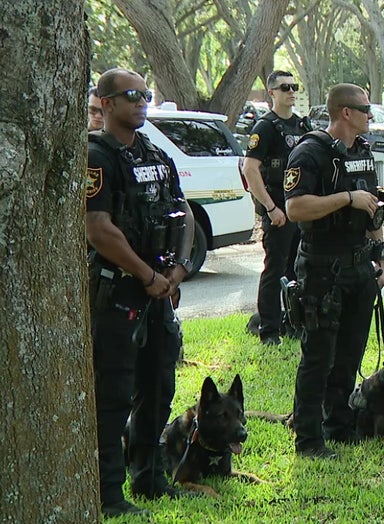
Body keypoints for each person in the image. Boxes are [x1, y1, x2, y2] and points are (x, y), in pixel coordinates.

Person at [85, 68, 197, 517]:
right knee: (113, 395)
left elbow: (184, 211)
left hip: (159, 292)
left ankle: (148, 477)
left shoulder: (153, 152)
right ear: (107, 103)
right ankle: (109, 494)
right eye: (132, 95)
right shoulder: (97, 155)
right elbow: (98, 229)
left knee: (158, 386)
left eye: (146, 94)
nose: (142, 101)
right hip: (119, 293)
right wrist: (147, 277)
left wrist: (180, 269)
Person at [285, 83, 384, 458]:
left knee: (350, 352)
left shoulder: (361, 151)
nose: (369, 117)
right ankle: (309, 438)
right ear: (345, 112)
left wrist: (381, 256)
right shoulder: (309, 152)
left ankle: (339, 424)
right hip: (322, 268)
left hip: (360, 265)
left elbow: (374, 207)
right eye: (364, 110)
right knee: (318, 356)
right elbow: (295, 209)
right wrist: (346, 198)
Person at [242, 70, 308, 346]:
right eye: (284, 87)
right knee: (275, 269)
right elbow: (251, 170)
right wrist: (270, 208)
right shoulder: (265, 128)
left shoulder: (302, 127)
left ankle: (294, 324)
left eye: (294, 86)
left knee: (299, 269)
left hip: (300, 210)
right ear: (271, 93)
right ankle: (268, 329)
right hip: (278, 211)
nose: (291, 91)